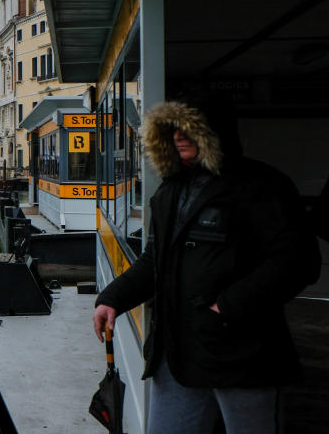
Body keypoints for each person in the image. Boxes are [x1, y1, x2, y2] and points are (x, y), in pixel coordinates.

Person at [92, 98, 320, 434]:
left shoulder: (262, 186)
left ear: (215, 133)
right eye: (172, 130)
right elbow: (156, 261)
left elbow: (297, 262)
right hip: (177, 353)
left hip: (243, 355)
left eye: (189, 129)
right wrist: (112, 298)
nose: (179, 137)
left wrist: (224, 307)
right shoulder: (170, 191)